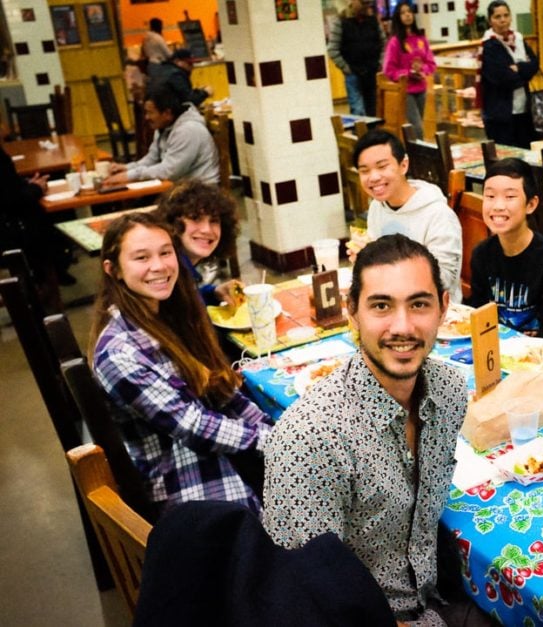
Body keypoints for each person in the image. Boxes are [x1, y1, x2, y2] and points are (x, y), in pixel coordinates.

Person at [263, 234, 486, 625]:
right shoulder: (311, 439)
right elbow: (305, 604)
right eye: (381, 306)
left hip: (431, 597)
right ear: (353, 313)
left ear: (444, 308)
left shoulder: (449, 391)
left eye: (419, 304)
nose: (402, 326)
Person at [91, 212, 274, 515]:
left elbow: (223, 391)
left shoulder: (170, 314)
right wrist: (268, 441)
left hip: (218, 452)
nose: (159, 265)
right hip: (182, 483)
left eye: (165, 252)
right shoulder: (118, 354)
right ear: (114, 270)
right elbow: (193, 426)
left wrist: (275, 432)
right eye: (141, 257)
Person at [467, 158, 543, 344]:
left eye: (510, 197)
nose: (498, 206)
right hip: (493, 349)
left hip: (540, 357)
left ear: (531, 205)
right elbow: (477, 314)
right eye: (490, 196)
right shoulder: (482, 254)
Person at [349, 129, 463, 303]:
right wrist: (364, 261)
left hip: (436, 314)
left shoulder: (438, 214)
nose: (373, 177)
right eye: (364, 171)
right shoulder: (376, 208)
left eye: (382, 166)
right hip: (389, 304)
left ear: (404, 165)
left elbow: (444, 280)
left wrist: (384, 265)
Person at [104, 86, 219, 186]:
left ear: (167, 114)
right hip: (179, 186)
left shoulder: (187, 130)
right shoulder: (164, 126)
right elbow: (152, 159)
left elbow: (169, 171)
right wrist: (127, 168)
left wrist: (131, 176)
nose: (146, 117)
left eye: (150, 112)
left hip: (200, 191)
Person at [154, 179, 243, 306]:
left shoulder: (184, 266)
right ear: (173, 223)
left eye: (214, 220)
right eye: (195, 218)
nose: (206, 230)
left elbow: (189, 300)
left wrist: (213, 293)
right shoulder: (170, 272)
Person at [0, 140, 75, 289]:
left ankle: (49, 276)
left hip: (8, 224)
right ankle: (45, 280)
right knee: (57, 226)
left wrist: (28, 184)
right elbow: (12, 200)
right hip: (9, 234)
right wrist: (36, 188)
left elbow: (8, 185)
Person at [479, 0, 539, 148]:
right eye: (497, 16)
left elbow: (535, 64)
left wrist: (517, 68)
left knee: (525, 158)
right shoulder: (488, 45)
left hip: (523, 110)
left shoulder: (518, 39)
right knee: (506, 160)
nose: (503, 20)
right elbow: (504, 78)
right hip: (500, 114)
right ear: (490, 20)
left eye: (506, 15)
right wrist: (524, 71)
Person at [382, 2, 435, 140]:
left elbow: (431, 63)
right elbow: (389, 70)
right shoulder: (395, 42)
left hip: (421, 88)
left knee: (421, 125)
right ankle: (421, 157)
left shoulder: (421, 38)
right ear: (398, 17)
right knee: (417, 127)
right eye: (403, 13)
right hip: (406, 90)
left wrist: (422, 70)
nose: (407, 15)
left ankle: (416, 153)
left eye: (409, 12)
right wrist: (408, 73)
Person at [327, 0, 386, 117]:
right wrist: (346, 68)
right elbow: (332, 49)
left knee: (374, 112)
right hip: (353, 74)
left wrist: (380, 63)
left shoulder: (373, 21)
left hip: (373, 73)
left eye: (368, 3)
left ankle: (373, 134)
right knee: (358, 113)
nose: (366, 6)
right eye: (363, 3)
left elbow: (384, 43)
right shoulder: (341, 21)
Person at [148, 47, 213, 107]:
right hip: (167, 114)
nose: (192, 67)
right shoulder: (176, 75)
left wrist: (198, 92)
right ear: (177, 61)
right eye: (189, 64)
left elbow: (181, 94)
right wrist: (205, 93)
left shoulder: (165, 69)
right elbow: (188, 100)